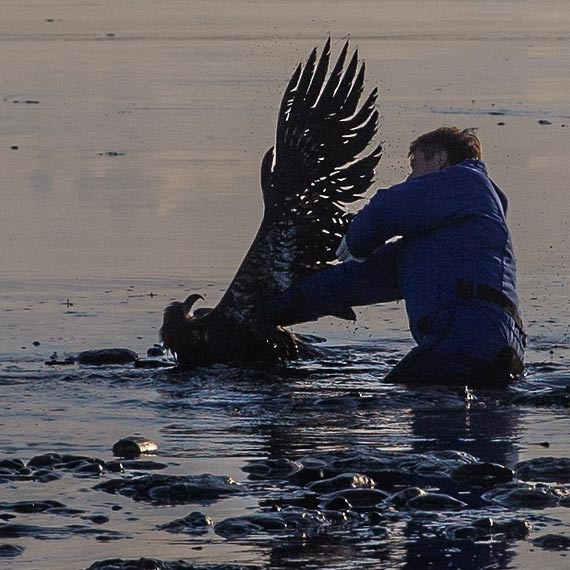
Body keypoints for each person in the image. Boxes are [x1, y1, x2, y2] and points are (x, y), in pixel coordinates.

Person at [262, 127, 526, 388]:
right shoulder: (439, 243)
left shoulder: (466, 181)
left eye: (415, 166)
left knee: (405, 395)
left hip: (466, 333)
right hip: (495, 345)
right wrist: (278, 309)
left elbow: (387, 209)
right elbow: (360, 280)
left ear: (440, 159)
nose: (411, 178)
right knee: (459, 417)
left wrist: (356, 240)